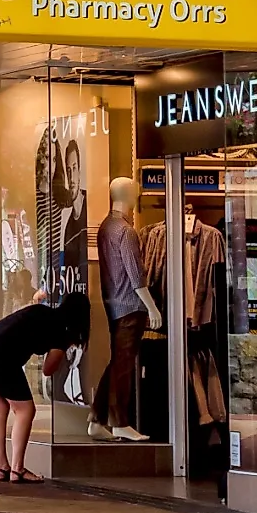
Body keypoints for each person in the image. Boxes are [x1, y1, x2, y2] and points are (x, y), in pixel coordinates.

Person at [0, 291, 91, 482]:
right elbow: (49, 370)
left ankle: (2, 467)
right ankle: (17, 469)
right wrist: (65, 345)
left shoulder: (40, 311)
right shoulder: (60, 331)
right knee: (25, 410)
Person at [91, 176, 153, 442]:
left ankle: (97, 418)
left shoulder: (106, 227)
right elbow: (136, 275)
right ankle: (119, 422)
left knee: (115, 364)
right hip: (129, 306)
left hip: (113, 304)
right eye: (135, 191)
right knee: (124, 366)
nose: (138, 195)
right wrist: (153, 308)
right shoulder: (126, 231)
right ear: (128, 195)